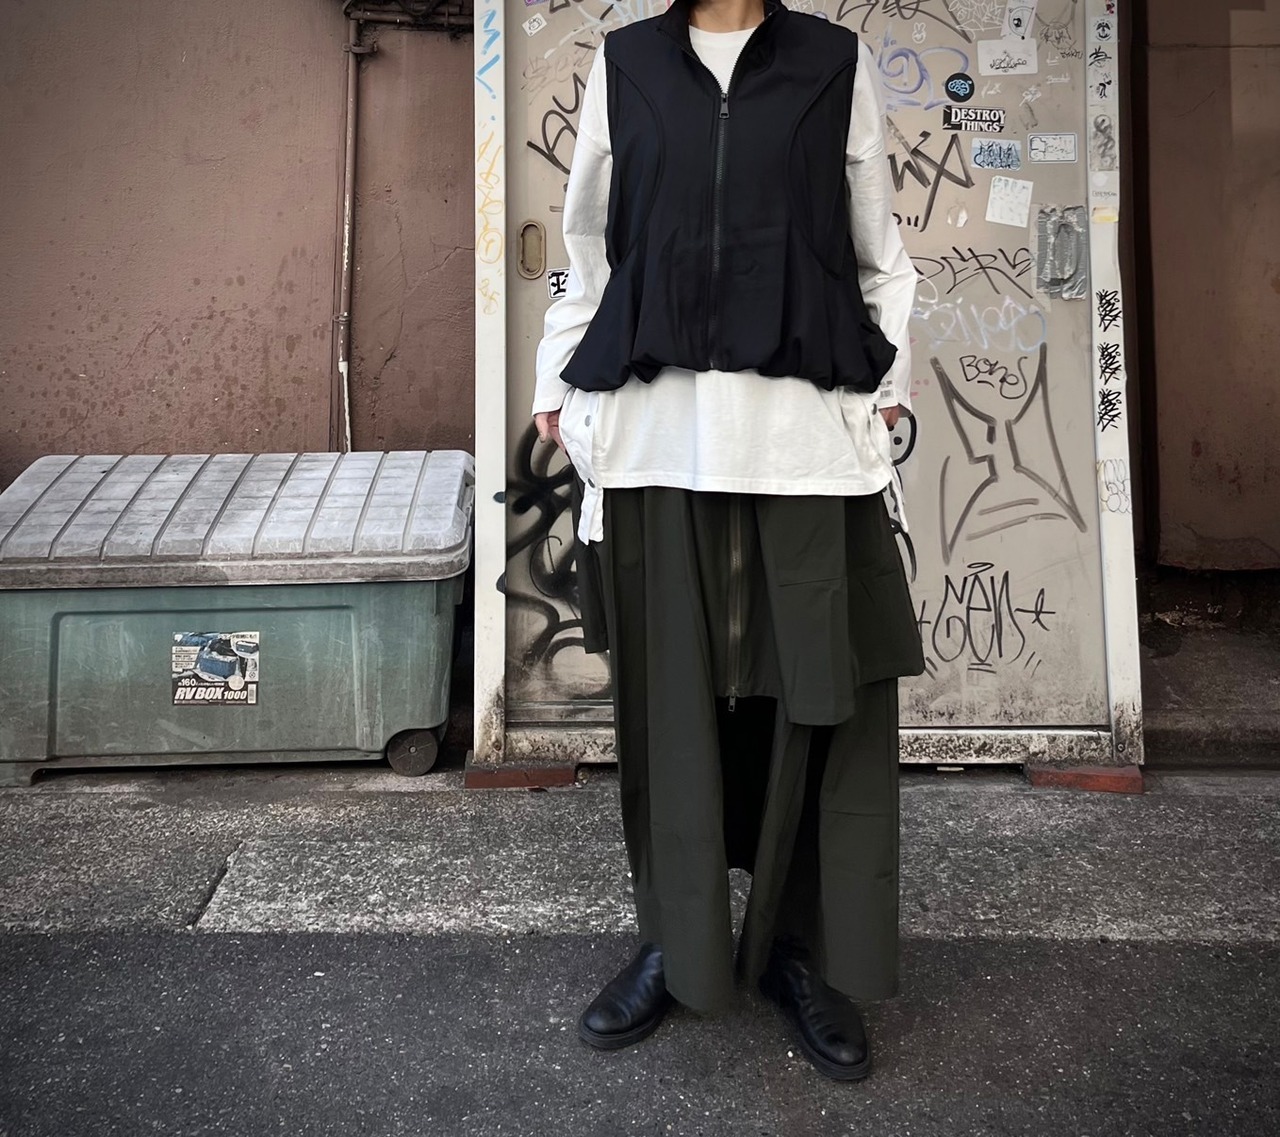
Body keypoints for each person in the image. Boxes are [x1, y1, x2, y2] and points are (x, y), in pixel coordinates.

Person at [531, 0, 923, 1082]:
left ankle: (802, 951)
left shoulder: (830, 62)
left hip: (806, 439)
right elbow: (587, 243)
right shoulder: (628, 64)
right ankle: (679, 939)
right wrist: (556, 379)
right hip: (660, 437)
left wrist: (888, 382)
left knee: (820, 697)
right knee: (671, 704)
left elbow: (878, 248)